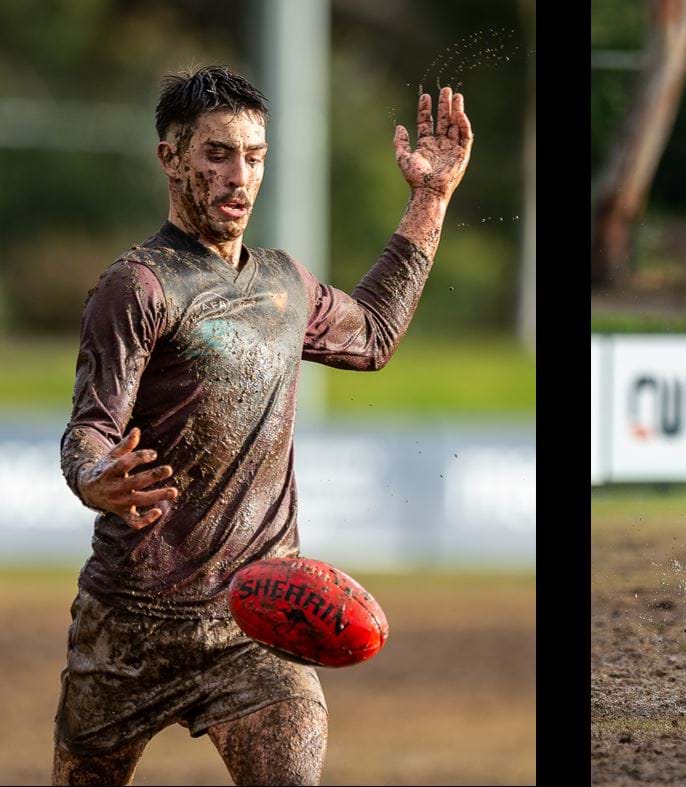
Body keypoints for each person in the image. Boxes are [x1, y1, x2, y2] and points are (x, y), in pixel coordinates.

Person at [52, 66, 472, 784]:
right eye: (217, 154)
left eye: (254, 156)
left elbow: (373, 335)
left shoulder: (282, 281)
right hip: (127, 626)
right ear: (171, 157)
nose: (238, 176)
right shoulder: (139, 285)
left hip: (255, 619)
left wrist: (430, 200)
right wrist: (98, 477)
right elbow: (90, 428)